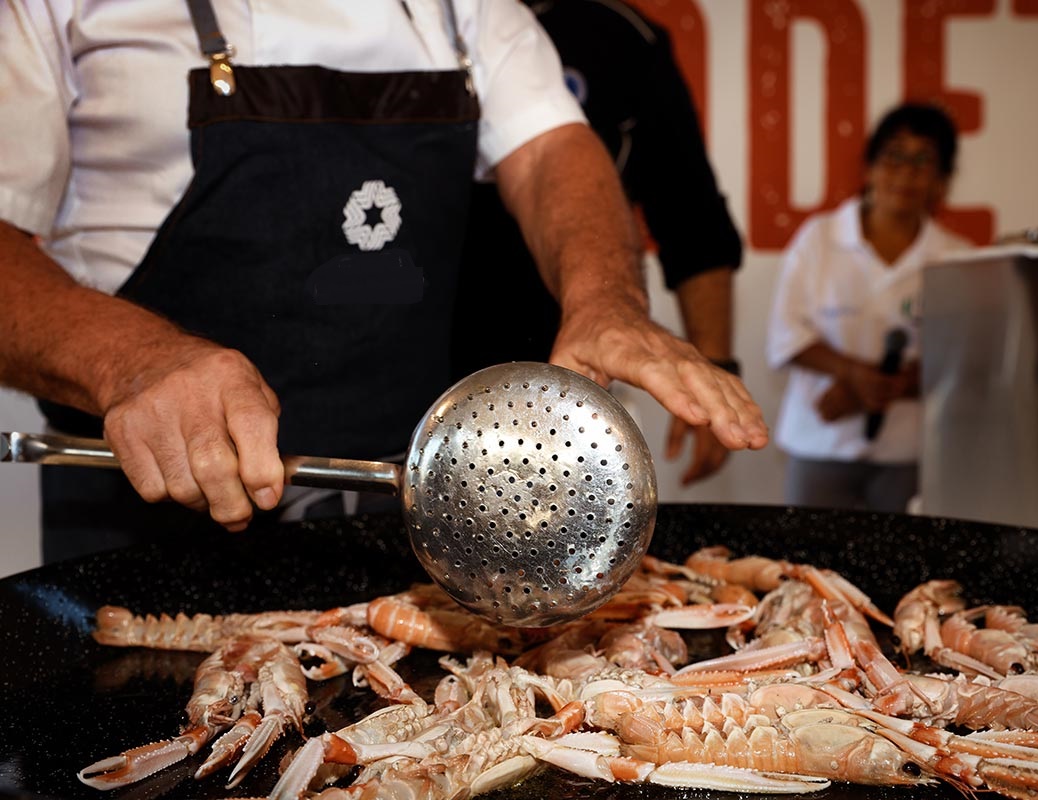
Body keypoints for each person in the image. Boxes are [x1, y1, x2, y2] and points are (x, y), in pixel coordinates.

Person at [0, 0, 767, 563]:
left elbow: (550, 151)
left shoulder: (461, 8)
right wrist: (131, 360)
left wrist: (606, 299)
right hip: (142, 531)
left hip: (407, 518)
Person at [451, 0, 743, 486]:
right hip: (430, 362)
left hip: (573, 369)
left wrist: (713, 369)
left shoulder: (618, 35)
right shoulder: (427, 21)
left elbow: (692, 219)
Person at [765, 102, 972, 512]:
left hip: (907, 451)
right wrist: (853, 375)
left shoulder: (955, 257)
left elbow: (966, 357)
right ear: (870, 167)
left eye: (923, 160)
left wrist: (898, 385)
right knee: (809, 563)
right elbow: (786, 336)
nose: (905, 173)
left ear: (941, 181)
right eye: (894, 155)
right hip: (821, 440)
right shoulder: (819, 239)